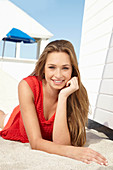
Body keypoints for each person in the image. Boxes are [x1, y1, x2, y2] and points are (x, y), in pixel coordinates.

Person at [0, 40, 108, 166]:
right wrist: (72, 152)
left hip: (54, 103)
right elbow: (35, 142)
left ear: (72, 70)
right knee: (2, 117)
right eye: (52, 67)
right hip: (17, 121)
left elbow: (61, 144)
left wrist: (63, 97)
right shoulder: (27, 86)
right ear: (43, 68)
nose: (58, 75)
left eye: (65, 68)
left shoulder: (74, 93)